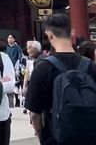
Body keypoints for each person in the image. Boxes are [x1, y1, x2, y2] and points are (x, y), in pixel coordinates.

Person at [25, 13, 96, 145]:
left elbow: (34, 114)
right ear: (72, 32)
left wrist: (42, 137)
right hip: (89, 138)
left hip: (55, 139)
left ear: (49, 35)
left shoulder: (42, 68)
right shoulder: (91, 67)